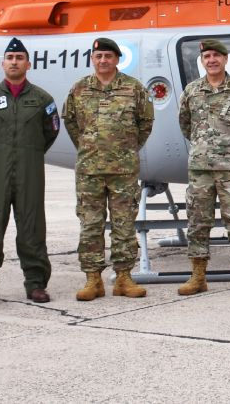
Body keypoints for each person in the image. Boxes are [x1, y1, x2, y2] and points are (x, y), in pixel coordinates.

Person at [0, 37, 61, 308]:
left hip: (29, 171)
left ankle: (36, 284)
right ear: (2, 63)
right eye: (10, 58)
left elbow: (50, 132)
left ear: (28, 64)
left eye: (20, 58)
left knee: (32, 229)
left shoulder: (43, 99)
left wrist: (28, 153)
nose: (14, 62)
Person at [63, 37, 154, 302]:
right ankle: (93, 279)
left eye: (108, 56)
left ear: (117, 59)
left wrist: (126, 148)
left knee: (124, 225)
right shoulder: (79, 89)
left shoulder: (133, 88)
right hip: (89, 169)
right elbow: (70, 122)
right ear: (93, 59)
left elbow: (145, 122)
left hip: (124, 169)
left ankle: (124, 277)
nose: (103, 61)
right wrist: (88, 146)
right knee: (90, 224)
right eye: (98, 56)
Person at [176, 38, 230, 296]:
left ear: (225, 59)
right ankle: (198, 276)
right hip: (200, 169)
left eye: (216, 55)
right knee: (197, 223)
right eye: (207, 57)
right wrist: (205, 147)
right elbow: (185, 124)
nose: (212, 60)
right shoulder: (192, 91)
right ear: (202, 61)